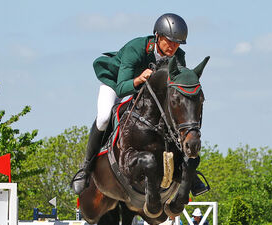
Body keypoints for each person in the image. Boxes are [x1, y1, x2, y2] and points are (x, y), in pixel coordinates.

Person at [71, 13, 209, 197]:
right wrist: (138, 80)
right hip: (118, 84)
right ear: (158, 36)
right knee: (104, 117)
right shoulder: (136, 48)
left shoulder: (179, 56)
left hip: (147, 94)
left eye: (178, 43)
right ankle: (86, 169)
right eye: (169, 41)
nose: (173, 46)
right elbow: (121, 87)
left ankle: (188, 172)